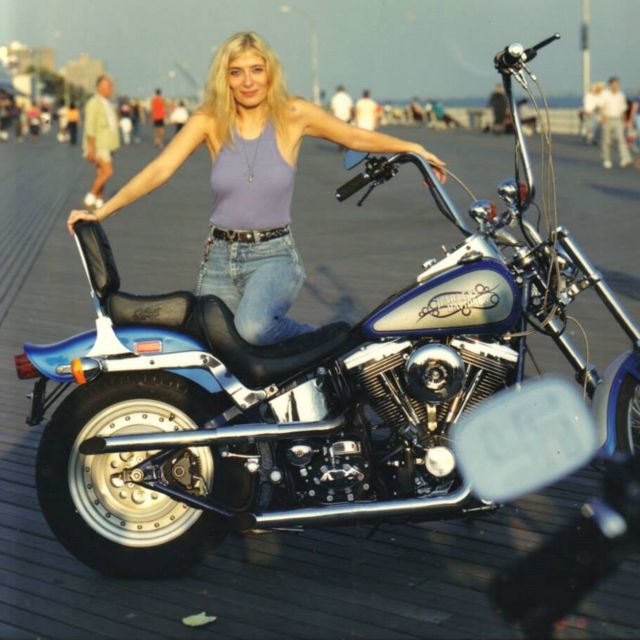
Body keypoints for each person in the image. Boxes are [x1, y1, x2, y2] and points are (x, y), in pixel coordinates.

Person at [67, 32, 445, 346]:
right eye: (236, 72)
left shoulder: (293, 114)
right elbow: (159, 169)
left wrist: (413, 148)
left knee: (253, 329)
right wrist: (101, 212)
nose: (248, 82)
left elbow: (354, 137)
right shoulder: (210, 120)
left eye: (256, 70)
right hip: (219, 256)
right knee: (217, 350)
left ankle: (331, 348)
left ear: (270, 74)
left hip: (274, 255)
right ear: (225, 78)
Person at [82, 75, 120, 210]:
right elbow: (90, 126)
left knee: (101, 173)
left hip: (108, 144)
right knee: (108, 172)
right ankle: (90, 196)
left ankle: (98, 200)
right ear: (100, 87)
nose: (111, 89)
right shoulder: (94, 103)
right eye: (109, 86)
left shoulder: (107, 103)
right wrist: (91, 148)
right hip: (99, 145)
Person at [599, 76, 632, 169]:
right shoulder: (605, 94)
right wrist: (602, 116)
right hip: (607, 119)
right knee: (607, 140)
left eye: (617, 84)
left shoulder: (621, 95)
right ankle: (606, 159)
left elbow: (623, 109)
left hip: (617, 119)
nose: (616, 86)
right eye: (614, 84)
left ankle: (625, 158)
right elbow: (601, 106)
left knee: (621, 139)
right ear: (610, 85)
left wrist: (624, 121)